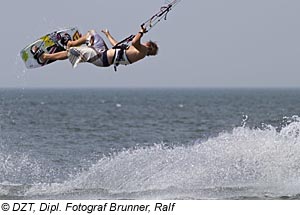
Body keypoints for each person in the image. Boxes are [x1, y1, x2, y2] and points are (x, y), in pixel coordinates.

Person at [31, 27, 159, 69]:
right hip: (103, 52)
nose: (145, 43)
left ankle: (44, 57)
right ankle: (70, 42)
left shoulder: (143, 51)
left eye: (148, 43)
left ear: (150, 48)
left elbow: (136, 40)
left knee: (73, 53)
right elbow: (116, 46)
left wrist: (141, 32)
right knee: (91, 34)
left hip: (101, 59)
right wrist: (108, 35)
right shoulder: (137, 51)